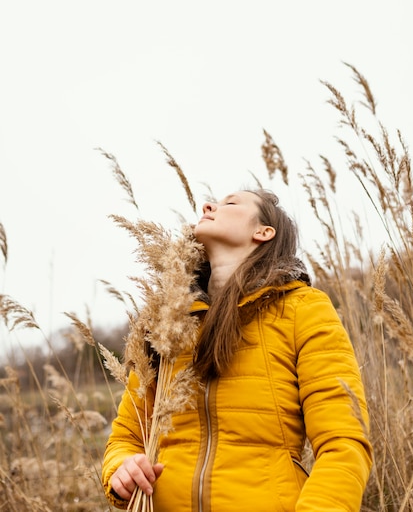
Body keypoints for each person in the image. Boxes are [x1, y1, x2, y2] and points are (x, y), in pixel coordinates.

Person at [102, 189, 373, 511]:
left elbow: (343, 442)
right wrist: (121, 470)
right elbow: (126, 438)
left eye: (230, 203)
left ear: (263, 232)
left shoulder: (304, 308)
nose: (207, 206)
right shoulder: (169, 321)